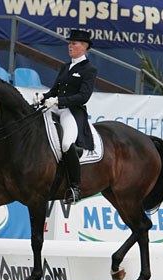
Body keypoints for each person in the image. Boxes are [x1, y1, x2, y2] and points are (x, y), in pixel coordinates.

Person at [33, 29, 97, 204]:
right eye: (69, 43)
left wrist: (59, 101)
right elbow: (54, 90)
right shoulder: (65, 67)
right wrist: (43, 97)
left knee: (67, 143)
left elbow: (83, 97)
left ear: (84, 47)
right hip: (55, 108)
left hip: (71, 112)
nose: (70, 46)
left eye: (74, 43)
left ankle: (75, 187)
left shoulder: (89, 69)